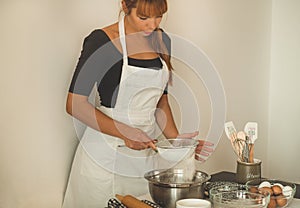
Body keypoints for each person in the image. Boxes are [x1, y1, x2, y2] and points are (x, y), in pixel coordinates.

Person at [63, 0, 214, 207]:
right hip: (105, 159)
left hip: (144, 161)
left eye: (158, 16)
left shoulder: (162, 40)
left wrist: (177, 142)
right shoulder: (101, 41)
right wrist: (125, 132)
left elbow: (160, 102)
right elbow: (75, 104)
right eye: (143, 17)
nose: (152, 25)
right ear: (125, 6)